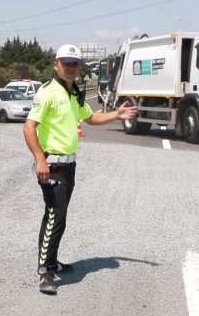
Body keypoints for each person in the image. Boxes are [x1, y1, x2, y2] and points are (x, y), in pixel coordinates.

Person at [23, 44, 136, 295]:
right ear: (56, 64)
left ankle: (50, 261)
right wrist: (40, 159)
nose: (72, 67)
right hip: (52, 166)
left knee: (54, 217)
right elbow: (29, 127)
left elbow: (91, 118)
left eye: (75, 63)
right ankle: (46, 272)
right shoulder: (49, 92)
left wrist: (116, 114)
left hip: (68, 166)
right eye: (67, 62)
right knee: (56, 218)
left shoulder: (73, 93)